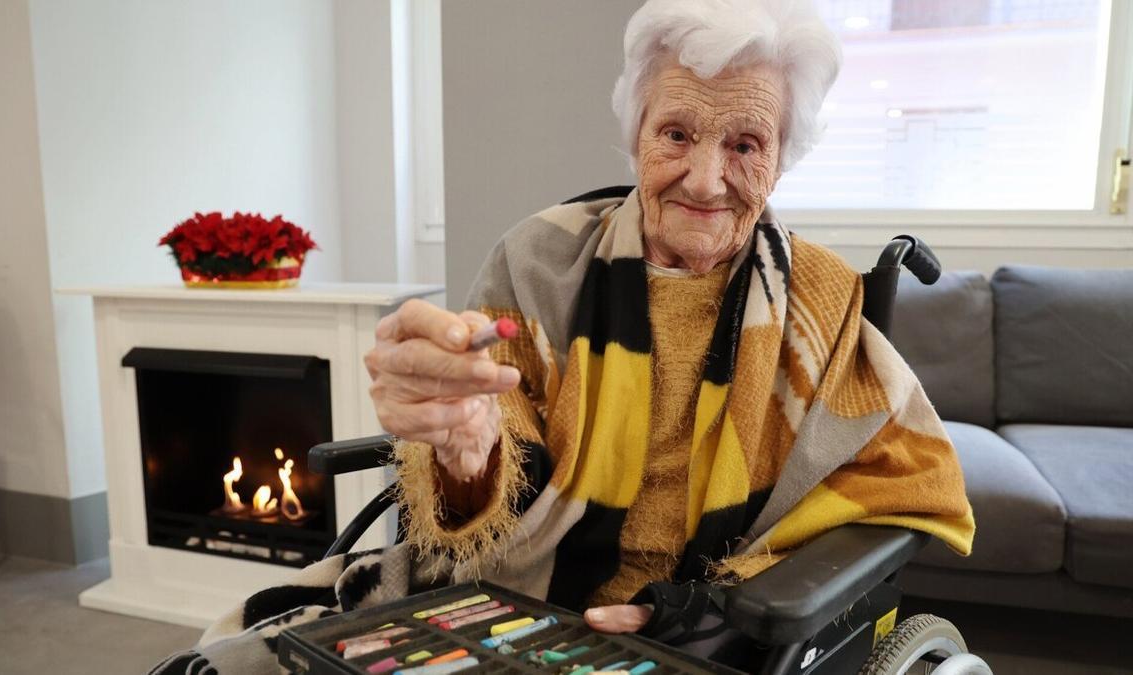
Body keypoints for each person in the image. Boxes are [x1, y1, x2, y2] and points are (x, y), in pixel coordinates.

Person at [153, 1, 973, 672]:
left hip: (695, 622)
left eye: (745, 144)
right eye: (678, 133)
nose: (706, 177)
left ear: (781, 161)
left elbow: (911, 479)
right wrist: (467, 450)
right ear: (636, 131)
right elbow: (489, 459)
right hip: (508, 583)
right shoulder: (541, 257)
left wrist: (717, 599)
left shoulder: (820, 299)